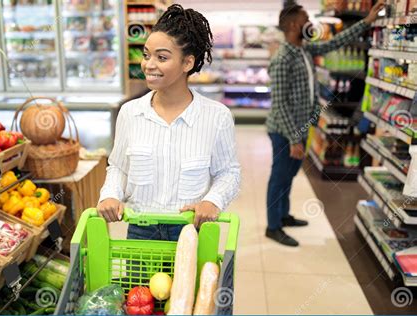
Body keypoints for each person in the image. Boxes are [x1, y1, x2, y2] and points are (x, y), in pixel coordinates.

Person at [97, 4, 241, 242]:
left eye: (161, 57)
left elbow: (228, 172)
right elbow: (119, 167)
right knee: (139, 282)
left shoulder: (216, 116)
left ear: (187, 63)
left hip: (190, 230)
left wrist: (212, 200)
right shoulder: (130, 113)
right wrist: (110, 195)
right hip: (140, 229)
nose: (149, 65)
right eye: (146, 55)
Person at [265, 1, 385, 247]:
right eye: (305, 18)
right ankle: (273, 226)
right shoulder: (282, 59)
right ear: (293, 25)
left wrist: (366, 22)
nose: (310, 22)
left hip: (301, 128)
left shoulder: (304, 50)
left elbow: (333, 44)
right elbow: (280, 105)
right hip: (285, 131)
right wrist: (294, 139)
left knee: (289, 174)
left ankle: (283, 215)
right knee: (279, 177)